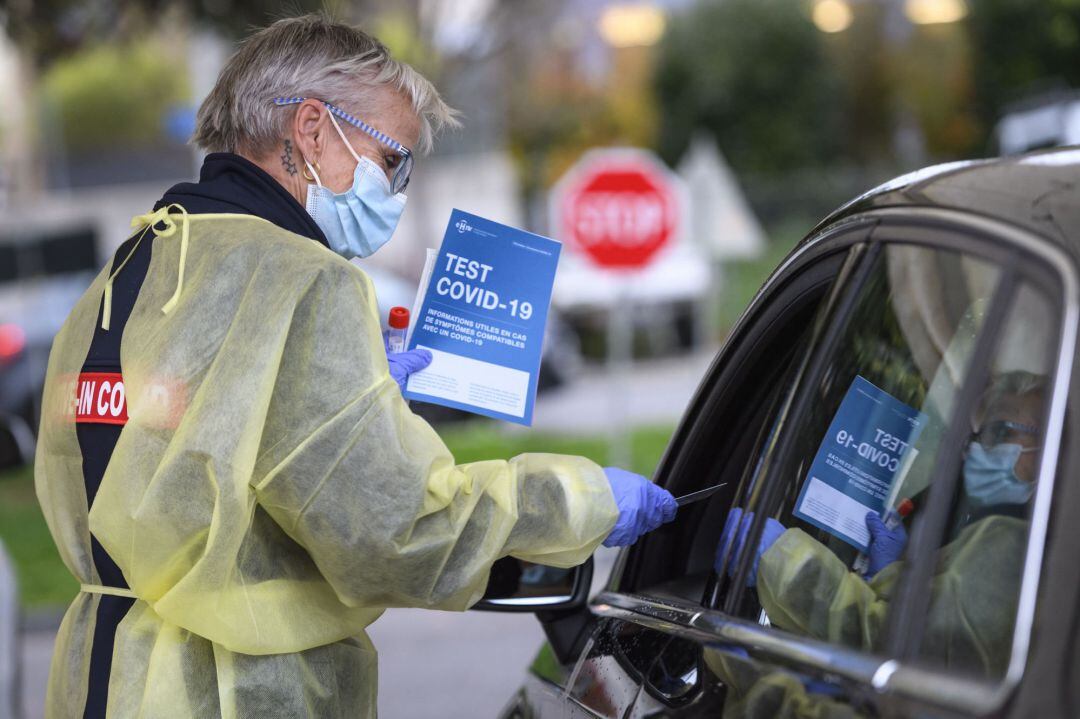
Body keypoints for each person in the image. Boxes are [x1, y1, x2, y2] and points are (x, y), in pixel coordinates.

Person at [35, 15, 676, 718]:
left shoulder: (134, 265)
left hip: (100, 677)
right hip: (228, 692)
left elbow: (184, 460)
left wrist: (342, 404)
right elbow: (397, 533)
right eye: (391, 159)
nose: (396, 190)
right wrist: (581, 498)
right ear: (311, 130)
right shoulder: (306, 279)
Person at [715, 371, 1042, 696]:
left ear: (1056, 448)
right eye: (977, 438)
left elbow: (892, 648)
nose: (976, 452)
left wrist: (782, 560)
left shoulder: (1018, 547)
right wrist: (891, 573)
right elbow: (941, 635)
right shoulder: (1011, 534)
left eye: (999, 432)